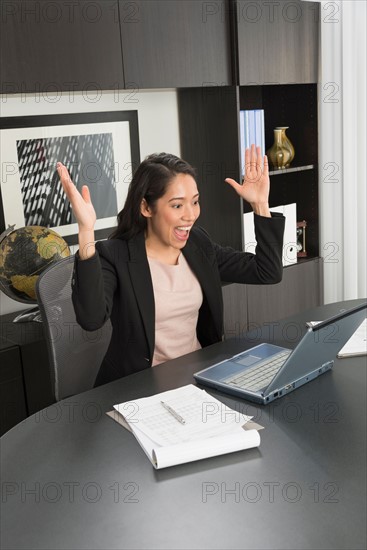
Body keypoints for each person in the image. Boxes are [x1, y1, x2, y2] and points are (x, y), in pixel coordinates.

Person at [57, 146, 285, 387]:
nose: (190, 215)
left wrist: (261, 205)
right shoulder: (116, 255)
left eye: (195, 202)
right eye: (177, 205)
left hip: (200, 379)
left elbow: (267, 271)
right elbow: (91, 319)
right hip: (140, 387)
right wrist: (86, 231)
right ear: (146, 207)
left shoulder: (198, 245)